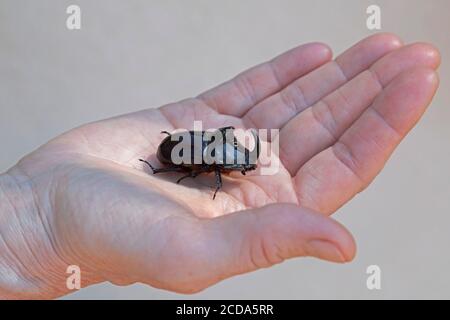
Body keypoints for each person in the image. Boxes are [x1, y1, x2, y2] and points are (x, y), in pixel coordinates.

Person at [0, 33, 440, 299]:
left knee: (198, 165)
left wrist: (37, 232)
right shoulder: (217, 161)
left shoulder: (222, 153)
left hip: (185, 147)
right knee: (194, 169)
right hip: (177, 152)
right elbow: (204, 162)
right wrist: (37, 229)